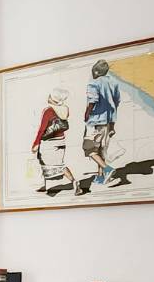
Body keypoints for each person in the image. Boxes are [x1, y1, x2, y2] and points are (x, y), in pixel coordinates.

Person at [79, 59, 123, 194]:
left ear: (97, 71)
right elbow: (117, 102)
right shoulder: (113, 83)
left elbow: (92, 100)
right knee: (101, 149)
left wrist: (86, 114)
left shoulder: (93, 83)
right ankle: (100, 176)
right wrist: (113, 124)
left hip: (95, 121)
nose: (92, 73)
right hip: (108, 121)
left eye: (93, 70)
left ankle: (107, 169)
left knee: (88, 148)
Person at [30, 87, 74, 193]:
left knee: (41, 160)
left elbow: (42, 129)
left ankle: (43, 185)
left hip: (49, 142)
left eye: (50, 95)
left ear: (53, 98)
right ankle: (74, 181)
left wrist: (36, 143)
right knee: (60, 164)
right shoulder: (64, 109)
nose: (48, 97)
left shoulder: (48, 111)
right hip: (61, 141)